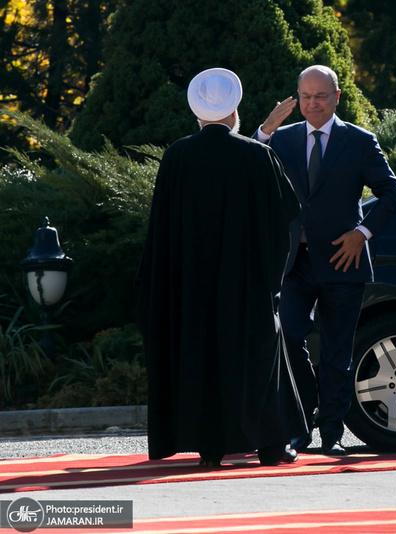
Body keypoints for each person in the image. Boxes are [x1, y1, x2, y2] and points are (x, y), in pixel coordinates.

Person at [136, 67, 307, 467]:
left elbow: (161, 231)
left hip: (192, 286)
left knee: (203, 360)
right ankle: (270, 445)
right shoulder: (258, 155)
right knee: (260, 358)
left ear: (197, 113)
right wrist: (272, 280)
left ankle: (209, 448)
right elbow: (285, 218)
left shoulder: (177, 155)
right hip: (247, 285)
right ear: (235, 113)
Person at [254, 65, 396, 456]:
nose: (313, 103)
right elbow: (251, 171)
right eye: (305, 96)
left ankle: (332, 431)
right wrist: (264, 130)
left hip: (343, 258)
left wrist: (362, 234)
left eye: (321, 96)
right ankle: (299, 423)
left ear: (336, 97)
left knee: (337, 350)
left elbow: (392, 194)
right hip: (295, 262)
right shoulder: (280, 139)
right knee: (287, 334)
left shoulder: (358, 140)